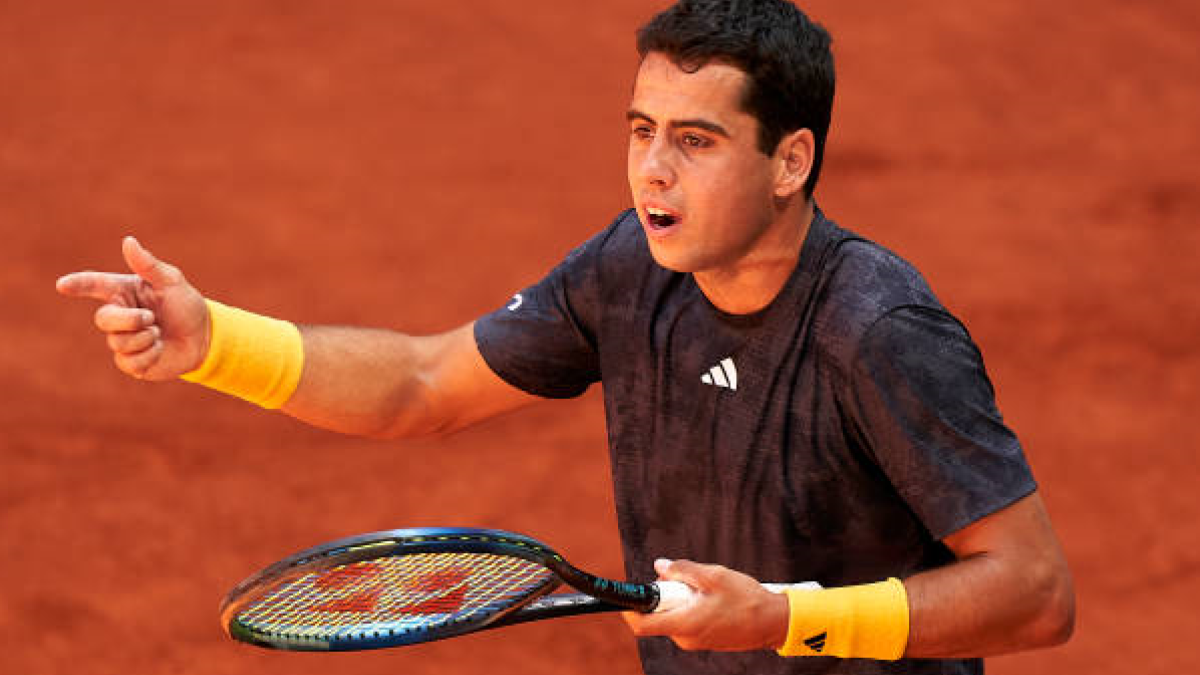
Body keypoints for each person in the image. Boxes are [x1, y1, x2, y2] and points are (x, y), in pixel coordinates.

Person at [56, 0, 1074, 673]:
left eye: (696, 141)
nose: (653, 173)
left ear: (791, 160)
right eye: (642, 130)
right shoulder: (631, 269)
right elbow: (421, 384)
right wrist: (212, 343)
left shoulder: (876, 330)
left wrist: (784, 615)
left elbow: (1035, 594)